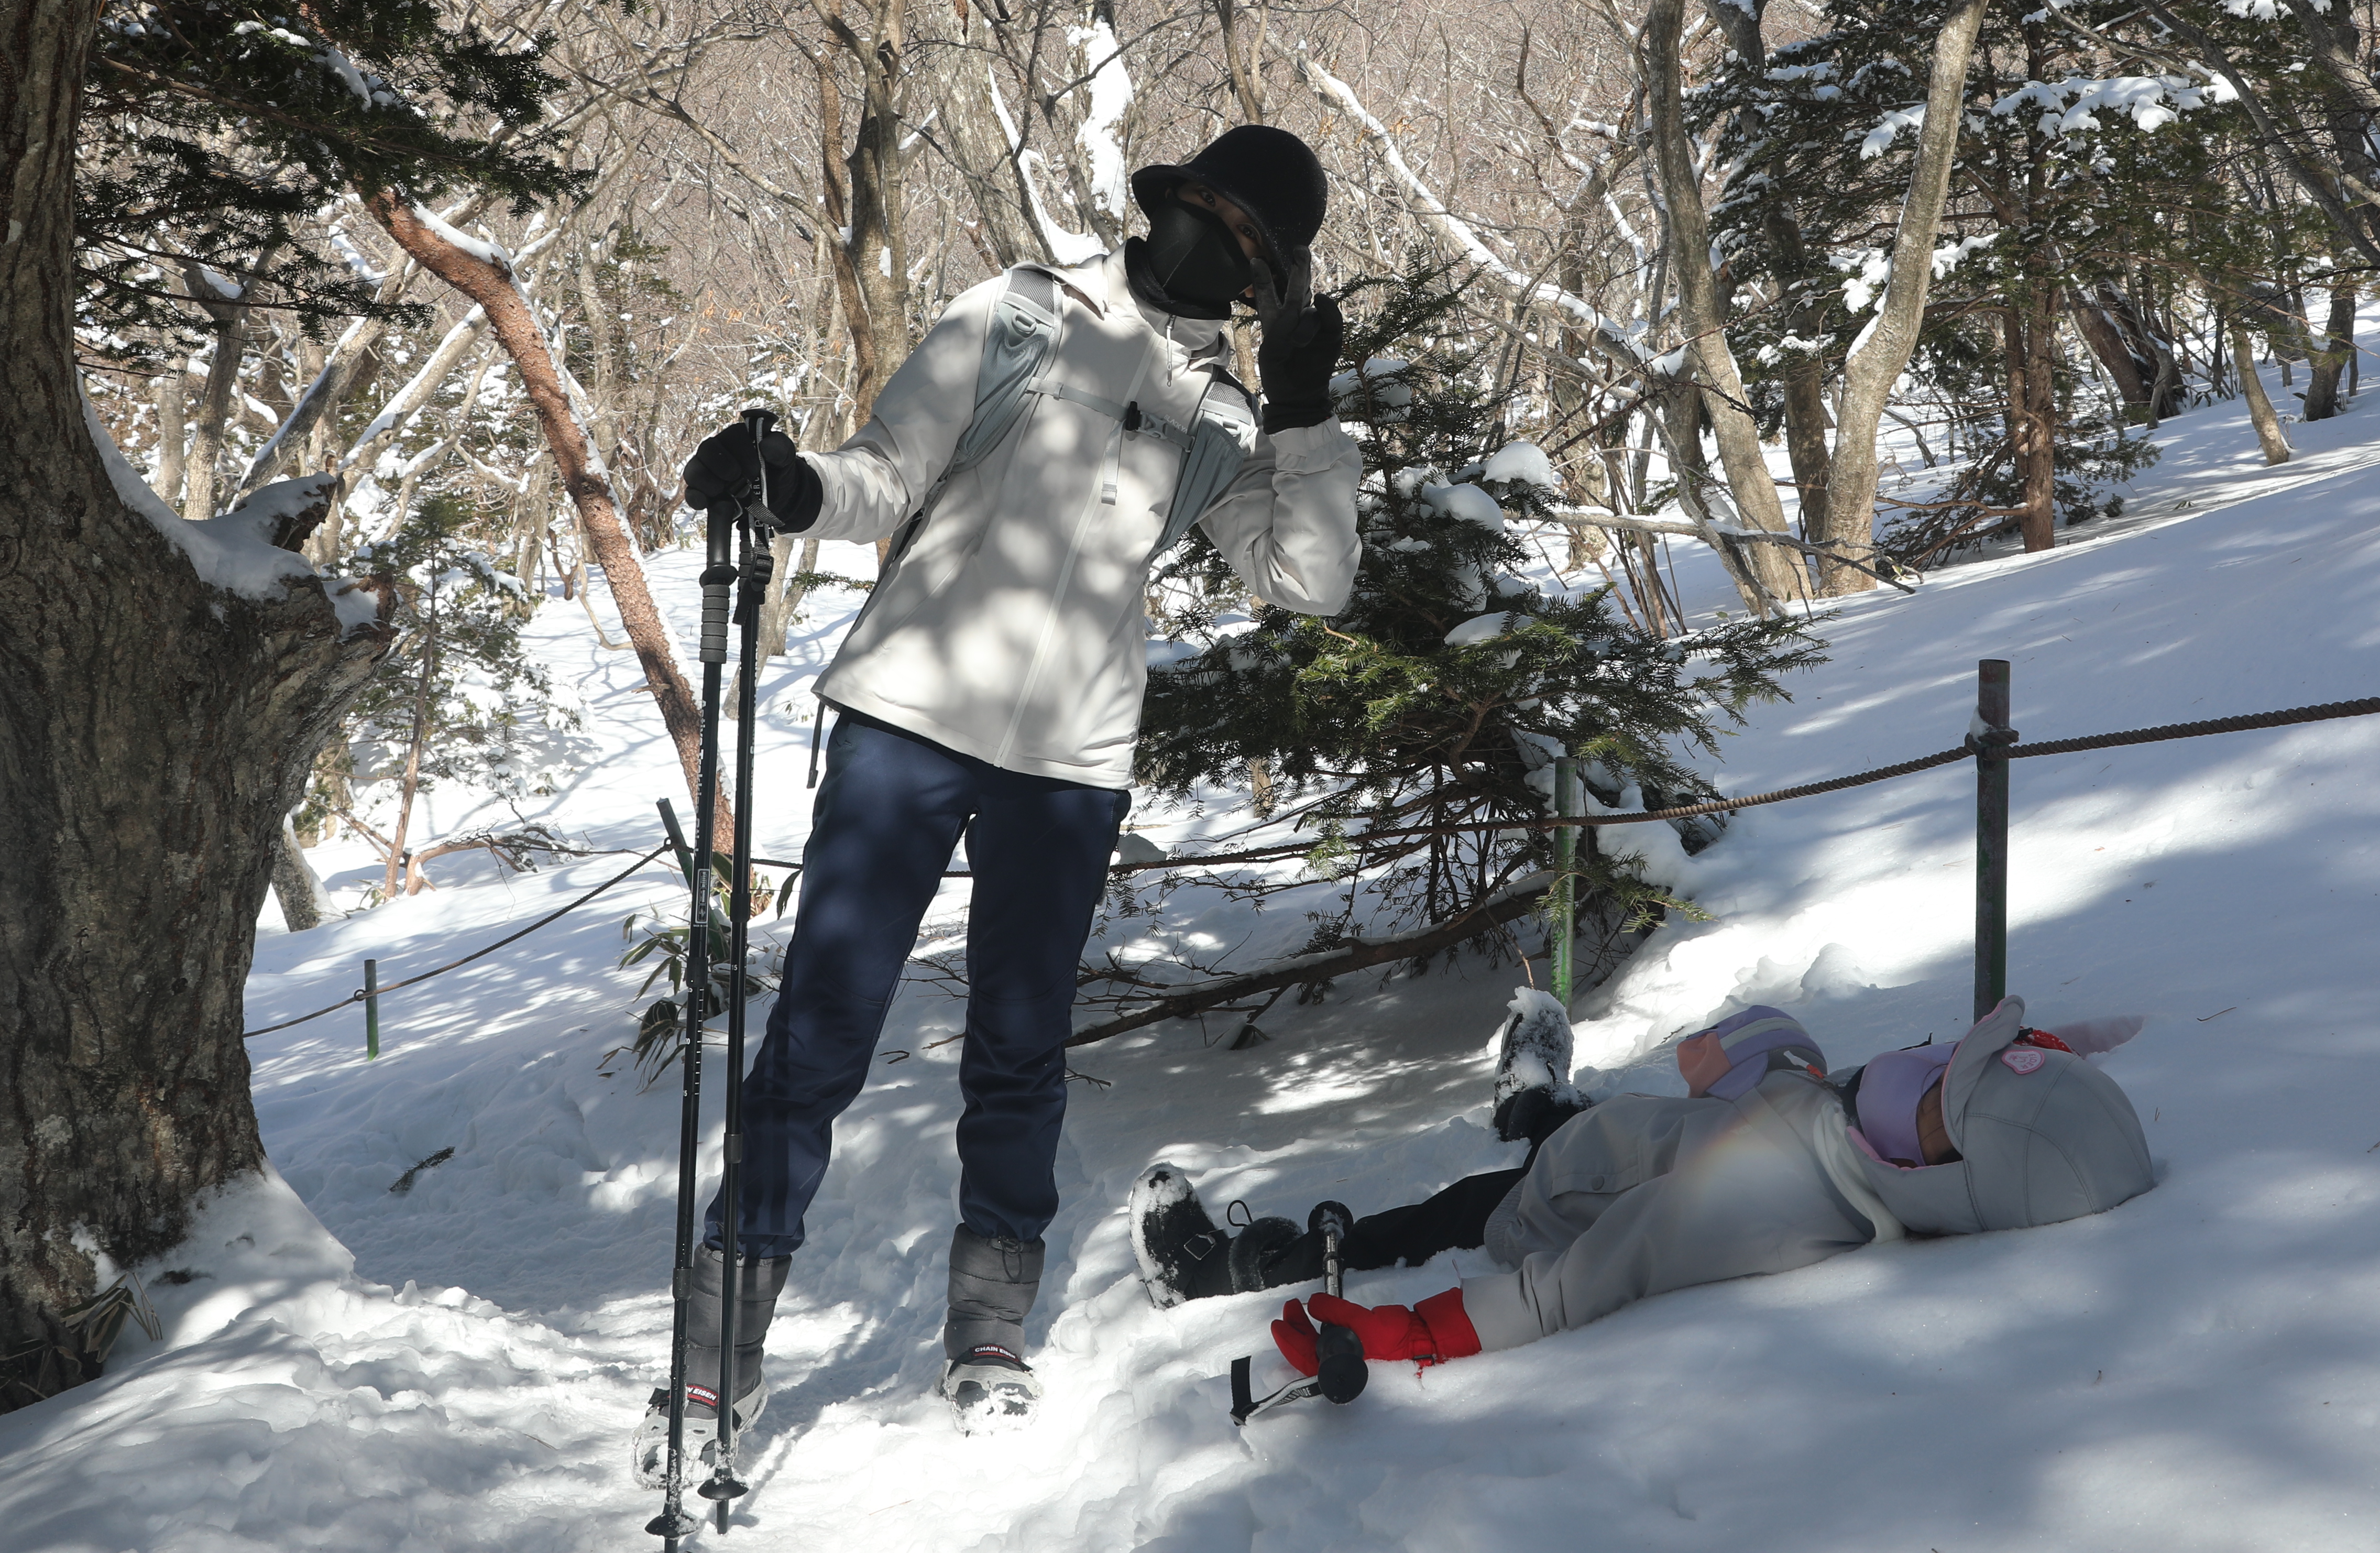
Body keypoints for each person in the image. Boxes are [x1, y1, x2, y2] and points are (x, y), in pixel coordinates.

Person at [660, 125, 1361, 1441]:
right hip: (908, 713)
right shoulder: (1026, 309)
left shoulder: (1220, 411)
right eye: (1211, 210)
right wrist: (792, 483)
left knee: (1020, 1052)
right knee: (820, 1030)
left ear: (1268, 284)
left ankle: (989, 1324)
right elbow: (885, 470)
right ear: (1169, 202)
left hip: (1071, 758)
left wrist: (1312, 420)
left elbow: (1308, 580)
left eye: (1253, 244)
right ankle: (720, 1339)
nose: (1220, 243)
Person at [1131, 992, 2153, 1373]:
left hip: (1543, 1207)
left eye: (1942, 1094)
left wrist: (1409, 1329)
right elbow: (1805, 1100)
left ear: (1941, 1177)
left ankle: (1223, 1262)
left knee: (1411, 1220)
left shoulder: (1756, 1205)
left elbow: (1577, 1279)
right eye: (1952, 1056)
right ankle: (1534, 1095)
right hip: (1634, 1141)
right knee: (1580, 1126)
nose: (1928, 1064)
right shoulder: (1864, 1136)